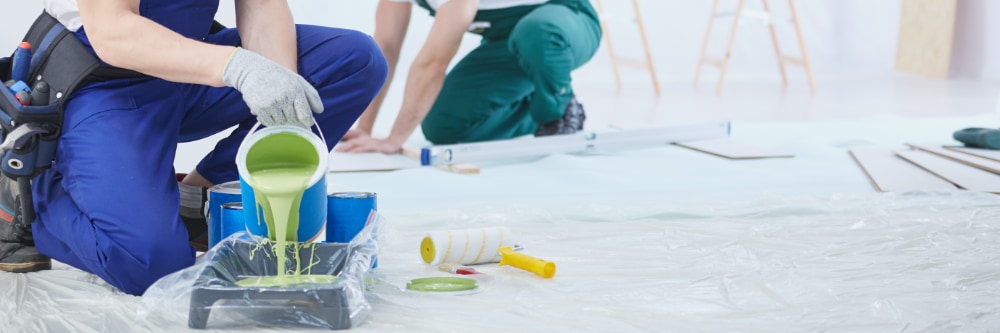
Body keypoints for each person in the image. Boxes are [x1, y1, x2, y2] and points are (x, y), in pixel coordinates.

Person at [0, 0, 387, 296]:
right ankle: (24, 198)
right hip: (101, 83)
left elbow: (261, 5)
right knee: (151, 264)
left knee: (353, 60)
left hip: (181, 63)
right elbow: (113, 31)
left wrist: (278, 94)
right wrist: (240, 69)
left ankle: (201, 198)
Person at [336, 0, 601, 153]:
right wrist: (365, 128)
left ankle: (557, 110)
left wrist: (394, 140)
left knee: (535, 33)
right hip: (505, 44)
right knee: (443, 124)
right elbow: (386, 47)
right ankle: (537, 105)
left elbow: (434, 62)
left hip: (565, 23)